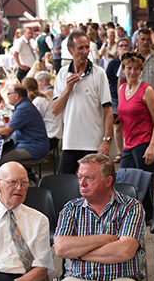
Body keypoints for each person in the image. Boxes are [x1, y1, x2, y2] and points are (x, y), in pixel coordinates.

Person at [47, 154, 145, 281]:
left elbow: (124, 251)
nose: (82, 183)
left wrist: (78, 253)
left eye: (89, 178)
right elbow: (60, 248)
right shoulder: (71, 208)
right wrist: (104, 238)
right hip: (76, 280)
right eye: (80, 177)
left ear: (108, 181)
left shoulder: (131, 207)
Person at [51, 29, 114, 174]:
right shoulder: (62, 73)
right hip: (70, 143)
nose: (85, 51)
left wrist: (106, 140)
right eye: (80, 48)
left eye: (87, 47)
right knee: (63, 183)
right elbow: (55, 110)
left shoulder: (99, 73)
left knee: (94, 184)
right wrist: (68, 89)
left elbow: (108, 110)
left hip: (94, 144)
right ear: (70, 50)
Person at [117, 51, 154, 181]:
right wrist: (117, 119)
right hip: (128, 144)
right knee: (123, 181)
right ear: (123, 69)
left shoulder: (147, 90)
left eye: (136, 68)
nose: (133, 72)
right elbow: (126, 113)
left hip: (144, 144)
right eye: (129, 68)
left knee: (147, 184)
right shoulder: (122, 89)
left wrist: (152, 146)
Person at [0, 83, 50, 165]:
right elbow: (10, 124)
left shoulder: (23, 108)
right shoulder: (24, 105)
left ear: (16, 96)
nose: (7, 96)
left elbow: (7, 131)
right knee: (0, 154)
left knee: (3, 162)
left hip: (34, 148)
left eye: (8, 94)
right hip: (30, 144)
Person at [117, 28, 154, 115]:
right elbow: (121, 80)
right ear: (137, 41)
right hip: (133, 104)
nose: (145, 42)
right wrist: (121, 100)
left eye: (148, 39)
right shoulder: (129, 57)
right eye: (142, 39)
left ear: (151, 41)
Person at [107, 38, 130, 162]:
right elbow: (107, 81)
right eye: (121, 45)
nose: (123, 48)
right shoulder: (113, 64)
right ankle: (120, 152)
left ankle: (128, 150)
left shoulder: (132, 63)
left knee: (129, 124)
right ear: (117, 48)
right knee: (117, 125)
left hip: (130, 97)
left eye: (126, 45)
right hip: (115, 97)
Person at [23, 77, 59, 152]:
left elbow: (32, 122)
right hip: (54, 135)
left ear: (26, 90)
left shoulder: (38, 101)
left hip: (50, 138)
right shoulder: (43, 97)